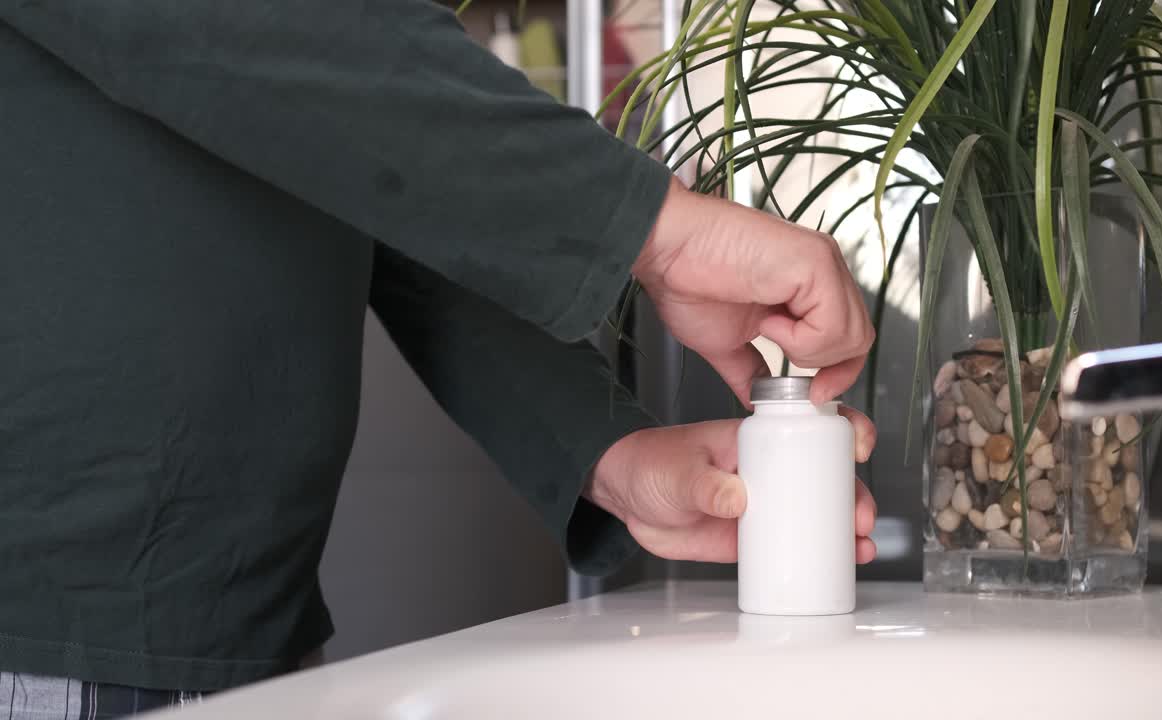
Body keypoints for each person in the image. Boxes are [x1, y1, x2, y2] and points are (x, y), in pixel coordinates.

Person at [0, 1, 879, 716]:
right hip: (48, 638)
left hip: (245, 628)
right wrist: (652, 227)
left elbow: (365, 171)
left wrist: (605, 449)